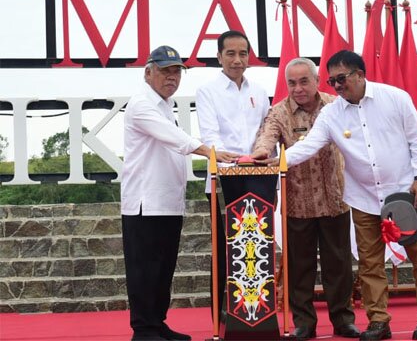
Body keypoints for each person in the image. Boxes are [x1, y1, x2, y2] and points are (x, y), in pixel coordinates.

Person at [257, 50, 417, 340]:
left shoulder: (396, 98)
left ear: (360, 74)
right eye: (333, 81)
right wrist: (277, 161)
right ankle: (379, 322)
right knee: (369, 265)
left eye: (342, 78)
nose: (338, 86)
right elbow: (309, 146)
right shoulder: (332, 113)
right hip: (364, 198)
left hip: (405, 194)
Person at [121, 45, 234, 341]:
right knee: (145, 269)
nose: (172, 78)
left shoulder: (164, 105)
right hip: (145, 204)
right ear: (148, 73)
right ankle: (144, 330)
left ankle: (157, 324)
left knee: (163, 269)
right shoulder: (141, 104)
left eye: (176, 72)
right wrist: (210, 151)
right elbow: (174, 138)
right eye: (164, 71)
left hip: (169, 203)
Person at [251, 58, 360, 340]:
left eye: (303, 81)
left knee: (340, 267)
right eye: (292, 83)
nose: (298, 88)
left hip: (336, 198)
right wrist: (262, 152)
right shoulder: (279, 112)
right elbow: (266, 137)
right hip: (297, 203)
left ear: (316, 81)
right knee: (299, 269)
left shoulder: (336, 106)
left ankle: (343, 320)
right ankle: (304, 323)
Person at [195, 30, 270, 319]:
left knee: (258, 245)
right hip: (224, 177)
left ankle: (258, 310)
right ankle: (223, 312)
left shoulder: (259, 91)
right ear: (219, 57)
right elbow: (211, 137)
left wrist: (262, 156)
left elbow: (267, 132)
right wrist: (236, 160)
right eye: (231, 54)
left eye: (243, 54)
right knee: (228, 247)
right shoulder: (207, 92)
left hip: (260, 176)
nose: (237, 60)